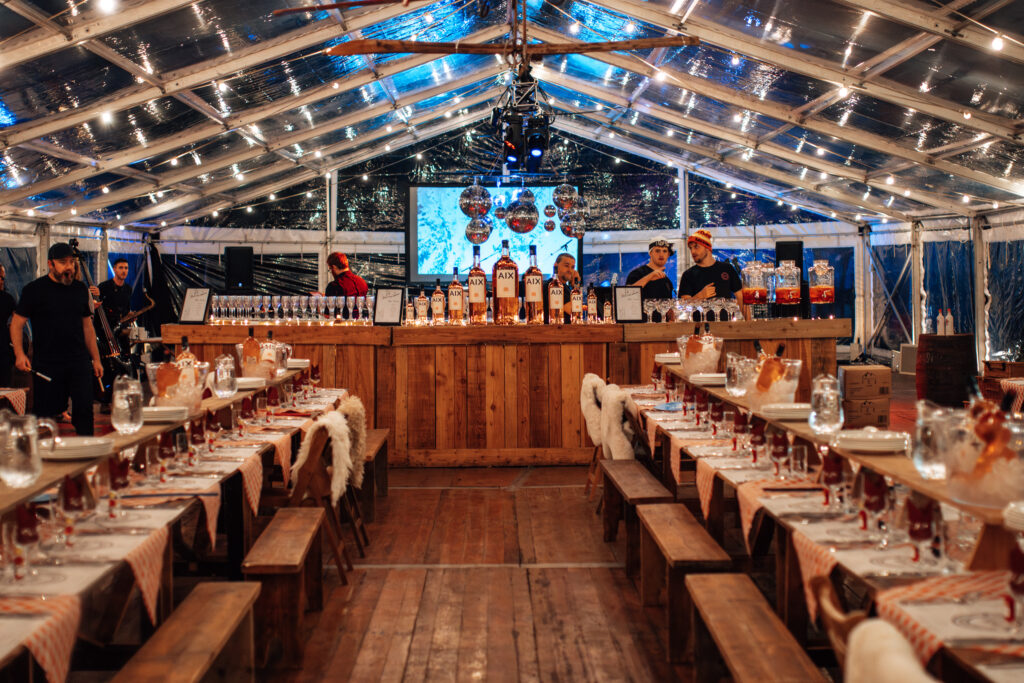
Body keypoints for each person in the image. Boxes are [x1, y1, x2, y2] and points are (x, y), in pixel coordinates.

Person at [11, 243, 104, 436]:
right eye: (63, 263)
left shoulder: (79, 289)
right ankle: (44, 458)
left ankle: (86, 455)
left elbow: (87, 327)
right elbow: (17, 324)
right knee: (45, 415)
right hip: (47, 363)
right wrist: (19, 354)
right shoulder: (34, 290)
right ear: (50, 264)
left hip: (78, 361)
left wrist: (96, 359)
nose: (69, 267)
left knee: (85, 411)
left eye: (71, 262)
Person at [677, 229, 742, 300]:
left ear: (707, 247)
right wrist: (699, 297)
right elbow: (683, 307)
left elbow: (741, 297)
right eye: (690, 248)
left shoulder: (727, 268)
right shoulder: (688, 275)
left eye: (696, 247)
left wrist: (744, 310)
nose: (692, 251)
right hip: (700, 311)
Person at [90, 257, 133, 332]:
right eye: (121, 268)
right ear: (114, 269)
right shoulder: (104, 286)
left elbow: (126, 309)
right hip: (105, 329)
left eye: (126, 268)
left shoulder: (128, 288)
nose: (124, 271)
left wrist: (130, 316)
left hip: (121, 328)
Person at [545, 252, 579, 323]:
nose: (570, 270)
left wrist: (575, 286)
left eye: (572, 267)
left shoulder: (566, 287)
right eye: (566, 266)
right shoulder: (552, 286)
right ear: (556, 266)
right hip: (554, 331)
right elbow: (575, 311)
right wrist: (576, 287)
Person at [0, 266, 16, 386]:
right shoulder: (7, 298)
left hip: (3, 345)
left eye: (3, 278)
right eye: (1, 278)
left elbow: (18, 320)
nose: (2, 281)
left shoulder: (7, 298)